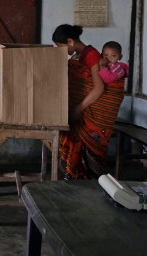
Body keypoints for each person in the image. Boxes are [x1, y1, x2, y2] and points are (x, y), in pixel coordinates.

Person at [52, 24, 125, 180]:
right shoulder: (77, 56)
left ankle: (95, 190)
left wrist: (77, 109)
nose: (61, 51)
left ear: (71, 41)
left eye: (61, 46)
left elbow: (98, 88)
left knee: (92, 161)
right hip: (83, 113)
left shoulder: (91, 55)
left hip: (92, 116)